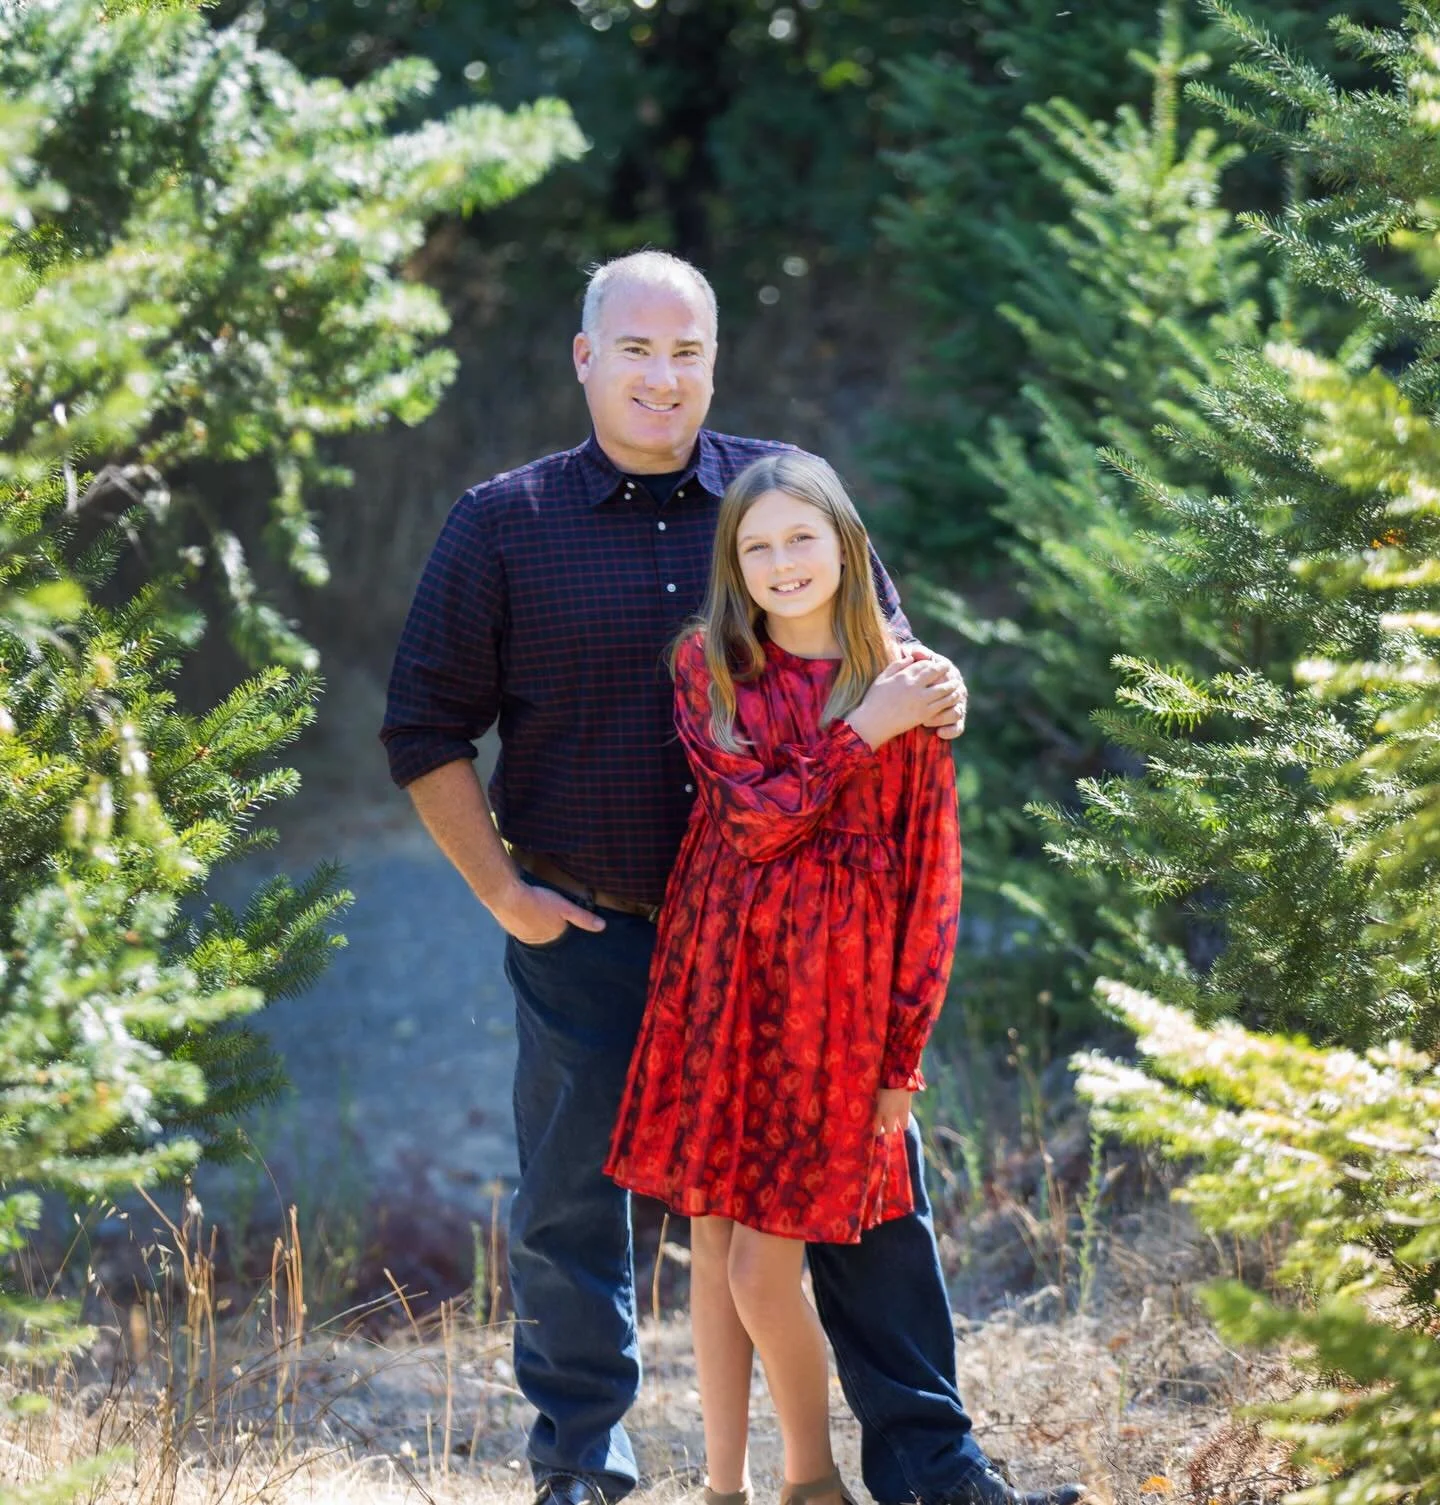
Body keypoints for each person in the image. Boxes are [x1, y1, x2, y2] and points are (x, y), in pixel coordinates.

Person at [381, 250, 1085, 1505]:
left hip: (806, 947)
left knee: (870, 1204)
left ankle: (933, 1469)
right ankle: (586, 1466)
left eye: (688, 350)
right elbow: (423, 727)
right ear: (585, 357)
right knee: (575, 1204)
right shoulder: (506, 522)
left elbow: (887, 667)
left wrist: (942, 687)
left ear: (715, 359)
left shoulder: (777, 500)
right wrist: (504, 895)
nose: (664, 376)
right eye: (637, 350)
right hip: (593, 925)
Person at [605, 452, 963, 1505]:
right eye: (756, 547)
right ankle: (725, 1486)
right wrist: (861, 731)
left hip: (834, 1005)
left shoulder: (912, 686)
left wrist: (903, 1054)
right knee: (711, 1238)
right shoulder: (708, 666)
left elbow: (932, 890)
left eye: (801, 537)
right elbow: (757, 819)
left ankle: (812, 1479)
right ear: (734, 566)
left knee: (765, 1264)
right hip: (717, 973)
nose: (781, 563)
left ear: (847, 545)